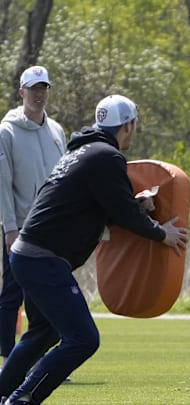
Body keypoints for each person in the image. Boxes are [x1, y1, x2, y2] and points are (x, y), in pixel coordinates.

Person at [0, 95, 188, 404]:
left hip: (26, 254)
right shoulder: (107, 157)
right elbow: (123, 214)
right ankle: (22, 399)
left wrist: (136, 204)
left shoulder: (82, 151)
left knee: (42, 334)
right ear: (128, 126)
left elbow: (107, 207)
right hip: (42, 259)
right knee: (83, 339)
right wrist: (159, 233)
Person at [0, 66, 66, 368]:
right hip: (21, 229)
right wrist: (10, 229)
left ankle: (39, 359)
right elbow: (3, 183)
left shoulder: (56, 131)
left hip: (51, 228)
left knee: (46, 296)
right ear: (21, 92)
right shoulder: (7, 131)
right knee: (13, 295)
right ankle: (7, 359)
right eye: (33, 89)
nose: (39, 95)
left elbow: (63, 180)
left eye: (44, 89)